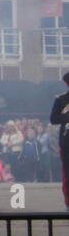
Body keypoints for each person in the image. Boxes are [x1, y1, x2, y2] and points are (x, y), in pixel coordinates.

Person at [48, 73, 69, 209]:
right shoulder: (62, 99)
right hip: (67, 142)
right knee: (67, 174)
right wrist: (67, 117)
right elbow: (53, 119)